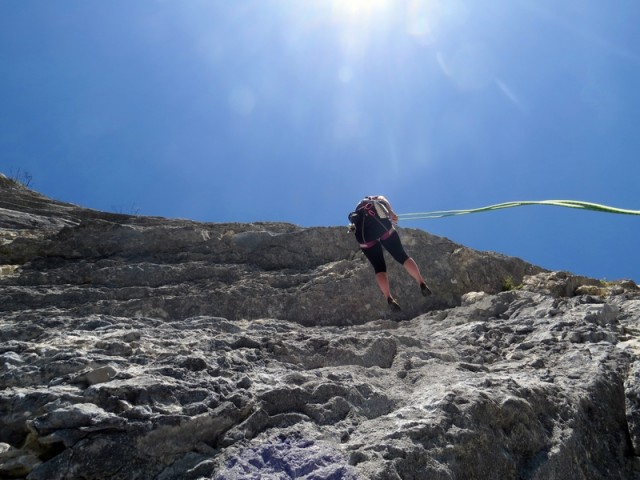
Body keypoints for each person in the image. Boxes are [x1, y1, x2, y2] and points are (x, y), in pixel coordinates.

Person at [348, 195, 432, 311]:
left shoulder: (357, 211)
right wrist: (391, 213)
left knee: (379, 267)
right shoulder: (372, 199)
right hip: (380, 225)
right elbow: (383, 200)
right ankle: (421, 282)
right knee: (402, 256)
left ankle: (389, 297)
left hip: (363, 236)